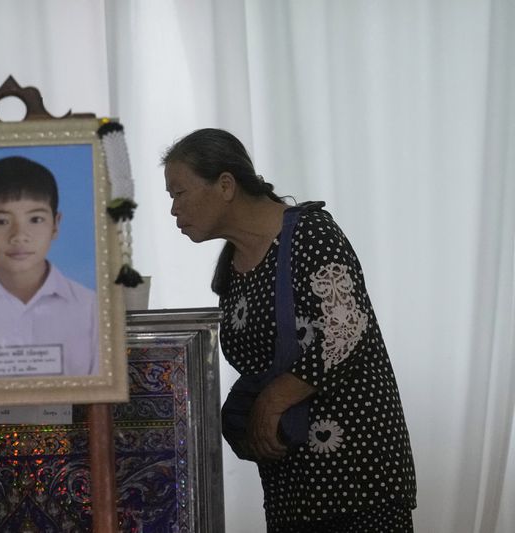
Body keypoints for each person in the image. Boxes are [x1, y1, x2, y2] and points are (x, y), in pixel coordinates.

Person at [162, 129, 417, 532]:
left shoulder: (310, 234)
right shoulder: (233, 266)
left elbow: (345, 330)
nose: (173, 209)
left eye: (178, 193)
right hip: (291, 487)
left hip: (357, 478)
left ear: (225, 185)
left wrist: (272, 402)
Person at [0, 156, 99, 381]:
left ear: (55, 224)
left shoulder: (92, 308)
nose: (19, 235)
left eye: (35, 219)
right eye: (1, 221)